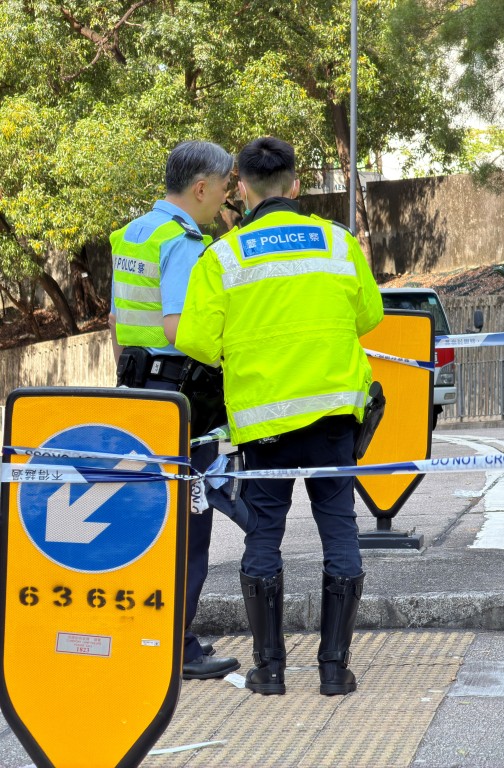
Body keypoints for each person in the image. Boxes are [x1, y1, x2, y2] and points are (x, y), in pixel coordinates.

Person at [172, 136, 384, 697]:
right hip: (333, 419)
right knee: (339, 531)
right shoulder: (338, 244)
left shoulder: (224, 256)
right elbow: (369, 317)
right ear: (296, 184)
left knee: (264, 535)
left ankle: (269, 672)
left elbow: (195, 340)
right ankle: (334, 671)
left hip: (264, 424)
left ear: (241, 187)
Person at [108, 140, 240, 681]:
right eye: (225, 188)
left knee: (146, 523)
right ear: (201, 187)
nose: (227, 199)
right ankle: (179, 646)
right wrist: (230, 352)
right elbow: (177, 327)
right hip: (182, 398)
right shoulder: (184, 242)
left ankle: (143, 637)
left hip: (138, 392)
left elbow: (117, 322)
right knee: (190, 526)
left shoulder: (134, 233)